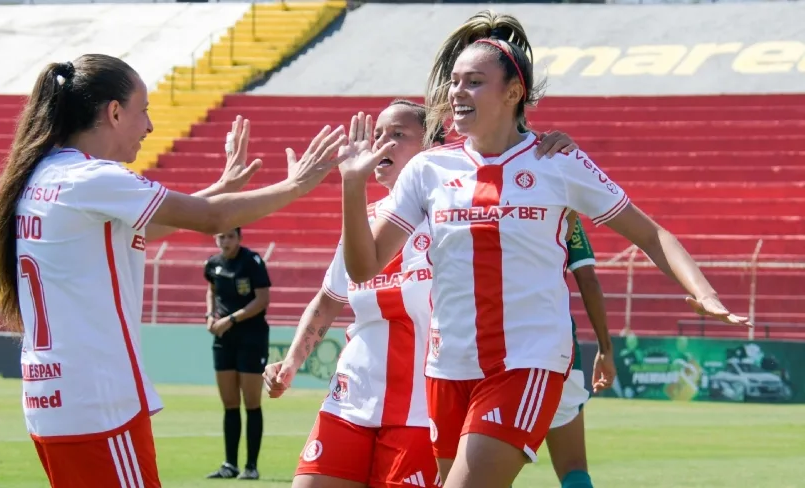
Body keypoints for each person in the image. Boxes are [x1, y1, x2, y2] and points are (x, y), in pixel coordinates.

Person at [335, 11, 751, 488]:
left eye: (474, 81)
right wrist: (352, 185)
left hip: (526, 362)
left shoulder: (557, 161)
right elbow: (363, 269)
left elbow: (652, 234)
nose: (457, 93)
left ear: (513, 91)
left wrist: (704, 291)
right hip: (446, 367)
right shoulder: (428, 170)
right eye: (454, 82)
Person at [0, 53, 348, 488]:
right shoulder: (92, 177)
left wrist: (219, 188)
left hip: (52, 396)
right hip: (97, 399)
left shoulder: (43, 175)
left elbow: (147, 224)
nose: (150, 126)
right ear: (114, 112)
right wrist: (295, 186)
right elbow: (212, 219)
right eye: (144, 111)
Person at [263, 99, 578, 488]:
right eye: (378, 135)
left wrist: (548, 149)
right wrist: (291, 362)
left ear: (432, 148)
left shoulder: (457, 219)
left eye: (398, 135)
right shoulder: (364, 224)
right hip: (350, 399)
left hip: (422, 412)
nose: (383, 144)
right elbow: (329, 299)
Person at [542, 212, 615, 488]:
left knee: (490, 469)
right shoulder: (563, 208)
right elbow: (588, 280)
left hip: (497, 349)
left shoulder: (475, 206)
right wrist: (605, 349)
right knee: (574, 470)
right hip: (560, 348)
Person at [204, 227, 272, 480]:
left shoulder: (251, 262)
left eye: (230, 236)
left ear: (239, 238)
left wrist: (230, 319)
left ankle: (251, 467)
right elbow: (211, 291)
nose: (225, 241)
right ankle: (229, 464)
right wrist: (210, 315)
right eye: (221, 236)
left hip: (251, 338)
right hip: (224, 339)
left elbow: (262, 299)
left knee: (251, 402)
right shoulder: (212, 264)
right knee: (229, 403)